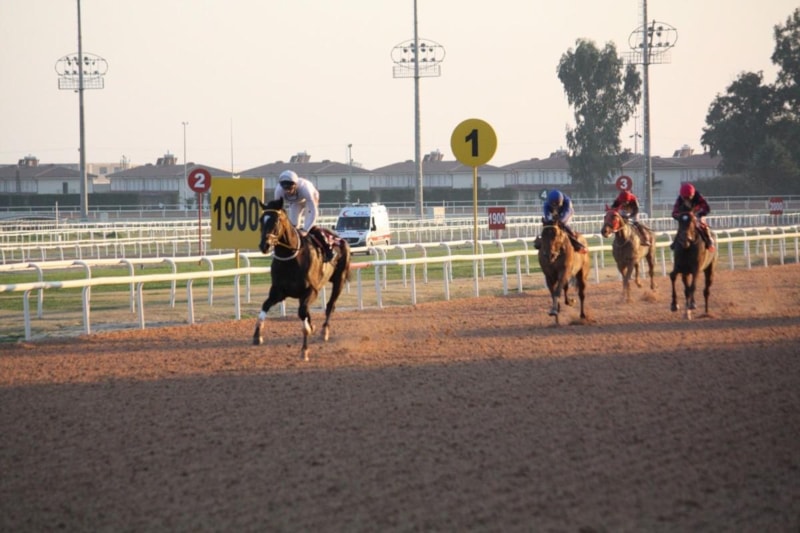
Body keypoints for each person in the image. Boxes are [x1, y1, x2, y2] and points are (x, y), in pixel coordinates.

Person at [274, 170, 334, 261]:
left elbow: (314, 211)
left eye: (290, 188)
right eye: (285, 188)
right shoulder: (278, 191)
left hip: (310, 199)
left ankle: (328, 250)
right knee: (293, 226)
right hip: (296, 202)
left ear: (295, 185)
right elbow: (277, 210)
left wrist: (305, 230)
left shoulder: (305, 189)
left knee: (310, 226)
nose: (287, 191)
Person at [535, 189, 588, 253]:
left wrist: (560, 221)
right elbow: (547, 216)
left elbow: (567, 213)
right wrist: (549, 222)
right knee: (548, 226)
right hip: (554, 214)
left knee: (563, 224)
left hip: (566, 213)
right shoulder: (546, 204)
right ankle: (541, 241)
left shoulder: (567, 202)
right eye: (553, 205)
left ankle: (576, 242)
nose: (555, 207)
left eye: (557, 205)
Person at [671, 182, 714, 252]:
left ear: (693, 194)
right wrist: (679, 216)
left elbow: (706, 208)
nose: (687, 199)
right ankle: (675, 243)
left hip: (697, 215)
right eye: (684, 198)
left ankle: (709, 241)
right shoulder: (679, 199)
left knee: (702, 225)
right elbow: (674, 212)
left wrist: (699, 214)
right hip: (685, 217)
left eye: (689, 197)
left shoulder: (698, 196)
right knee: (682, 228)